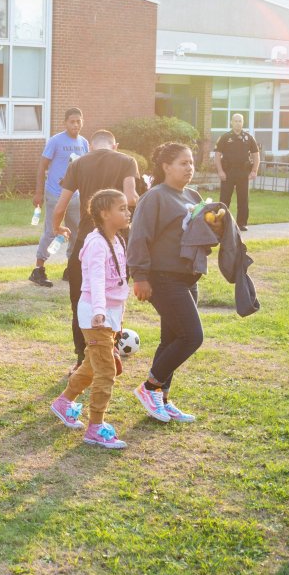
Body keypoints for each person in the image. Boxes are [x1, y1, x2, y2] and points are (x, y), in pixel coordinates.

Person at [127, 142, 208, 424]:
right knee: (192, 336)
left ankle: (162, 397)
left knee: (172, 339)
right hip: (162, 278)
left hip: (187, 276)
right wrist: (140, 276)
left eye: (191, 162)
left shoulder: (192, 194)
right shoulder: (155, 197)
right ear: (166, 167)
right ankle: (150, 387)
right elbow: (138, 236)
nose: (189, 168)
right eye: (183, 163)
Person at [49, 189, 131, 449]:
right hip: (96, 313)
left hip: (108, 313)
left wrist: (117, 317)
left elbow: (117, 281)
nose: (127, 212)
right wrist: (99, 310)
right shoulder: (96, 243)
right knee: (106, 371)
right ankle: (95, 427)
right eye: (122, 208)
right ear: (105, 214)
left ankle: (64, 402)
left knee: (93, 365)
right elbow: (95, 279)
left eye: (127, 208)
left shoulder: (116, 239)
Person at [52, 130, 139, 368]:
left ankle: (83, 358)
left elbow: (62, 203)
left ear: (90, 147)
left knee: (81, 299)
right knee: (114, 299)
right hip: (118, 241)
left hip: (86, 240)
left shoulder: (79, 163)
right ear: (115, 145)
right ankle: (110, 352)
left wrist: (56, 226)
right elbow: (131, 198)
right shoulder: (127, 161)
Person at [30, 108, 88, 287]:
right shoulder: (55, 141)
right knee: (52, 230)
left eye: (78, 121)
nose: (75, 125)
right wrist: (39, 192)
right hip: (55, 193)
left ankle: (71, 268)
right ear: (65, 122)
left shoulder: (84, 143)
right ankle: (38, 270)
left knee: (78, 232)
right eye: (72, 121)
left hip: (75, 196)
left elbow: (85, 170)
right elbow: (42, 167)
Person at [214, 114, 259, 231]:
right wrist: (220, 171)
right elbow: (217, 156)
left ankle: (242, 223)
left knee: (243, 199)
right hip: (228, 172)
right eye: (235, 121)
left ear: (243, 122)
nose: (238, 123)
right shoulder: (224, 137)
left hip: (243, 173)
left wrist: (254, 170)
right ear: (231, 122)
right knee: (224, 199)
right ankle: (222, 223)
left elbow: (256, 155)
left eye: (240, 121)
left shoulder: (249, 138)